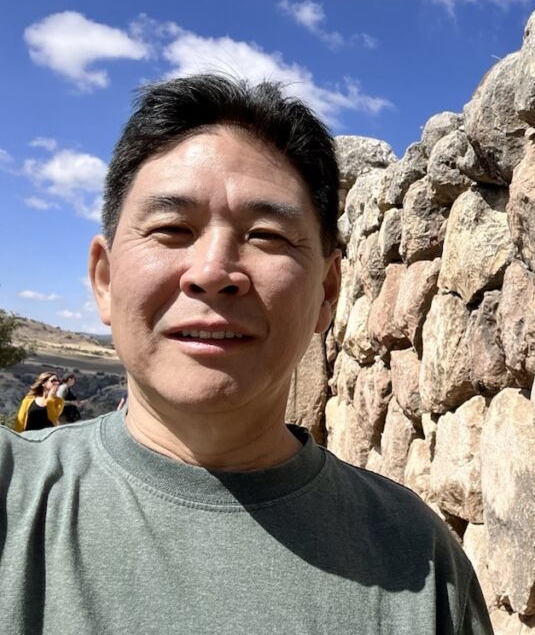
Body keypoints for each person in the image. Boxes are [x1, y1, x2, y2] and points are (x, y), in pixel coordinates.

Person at [0, 74, 493, 635]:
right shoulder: (10, 494)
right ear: (106, 279)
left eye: (267, 235)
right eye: (171, 228)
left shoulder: (418, 558)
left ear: (328, 292)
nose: (213, 273)